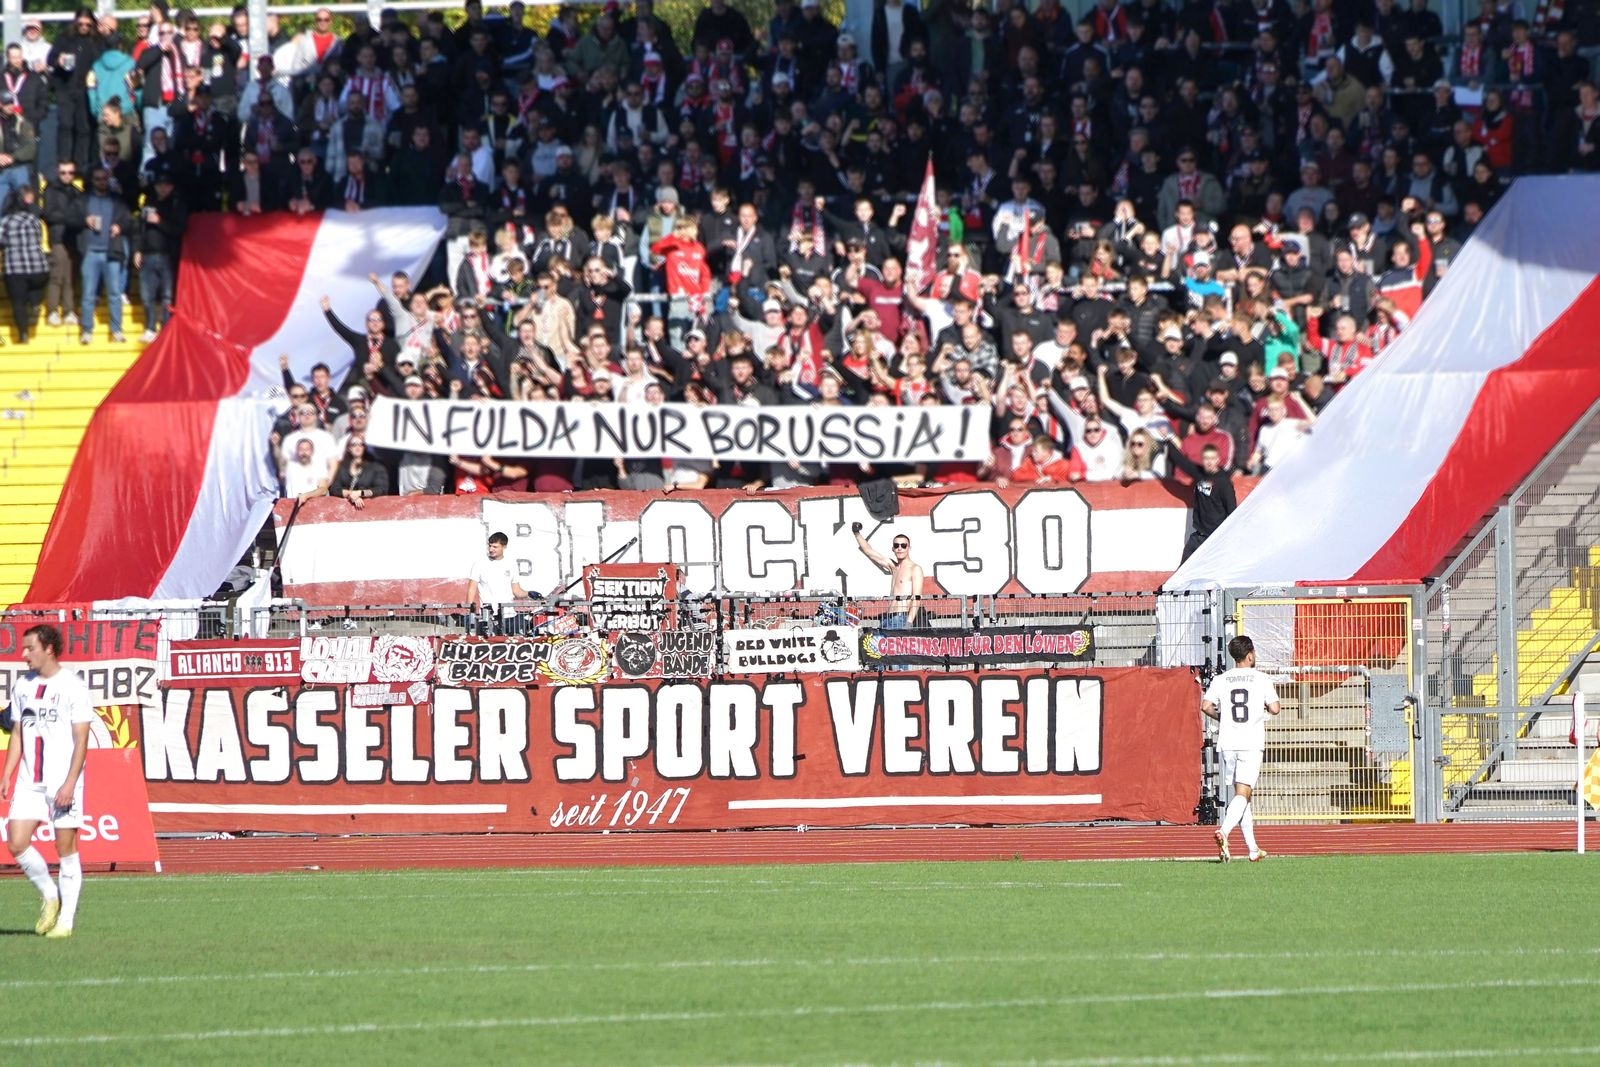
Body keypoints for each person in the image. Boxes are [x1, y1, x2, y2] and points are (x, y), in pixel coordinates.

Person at [1, 623, 94, 938]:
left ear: (49, 649)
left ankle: (66, 922)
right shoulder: (22, 686)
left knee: (65, 846)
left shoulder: (72, 687)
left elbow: (81, 739)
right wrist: (8, 773)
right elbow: (18, 733)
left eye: (30, 648)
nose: (24, 654)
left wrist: (70, 783)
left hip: (62, 780)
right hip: (29, 780)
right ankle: (50, 895)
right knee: (16, 842)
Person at [1201, 634, 1281, 863]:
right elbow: (1275, 708)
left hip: (1228, 742)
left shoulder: (1221, 679)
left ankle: (1253, 849)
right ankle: (1224, 831)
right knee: (1243, 793)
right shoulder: (1261, 678)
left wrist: (1222, 718)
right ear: (1250, 655)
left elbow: (1206, 706)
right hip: (1250, 742)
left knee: (1242, 795)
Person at [1165, 440, 1238, 560]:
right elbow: (1181, 461)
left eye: (1212, 458)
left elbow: (1232, 510)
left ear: (1218, 459)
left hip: (1214, 538)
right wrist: (1167, 441)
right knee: (1183, 570)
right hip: (1197, 536)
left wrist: (1227, 539)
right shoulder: (1199, 473)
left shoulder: (1224, 482)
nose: (1209, 462)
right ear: (1202, 460)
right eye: (1206, 459)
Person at [851, 523, 924, 630]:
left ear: (909, 548)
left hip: (901, 618)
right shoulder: (893, 567)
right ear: (893, 549)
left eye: (903, 545)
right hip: (887, 617)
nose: (900, 548)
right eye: (896, 545)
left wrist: (909, 622)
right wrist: (856, 533)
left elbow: (917, 598)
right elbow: (869, 552)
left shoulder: (915, 569)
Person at [468, 531, 533, 636]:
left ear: (504, 547)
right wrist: (470, 613)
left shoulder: (511, 564)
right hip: (488, 617)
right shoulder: (479, 564)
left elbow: (516, 591)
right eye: (490, 546)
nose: (491, 549)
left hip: (509, 616)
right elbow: (471, 589)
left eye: (495, 547)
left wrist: (529, 593)